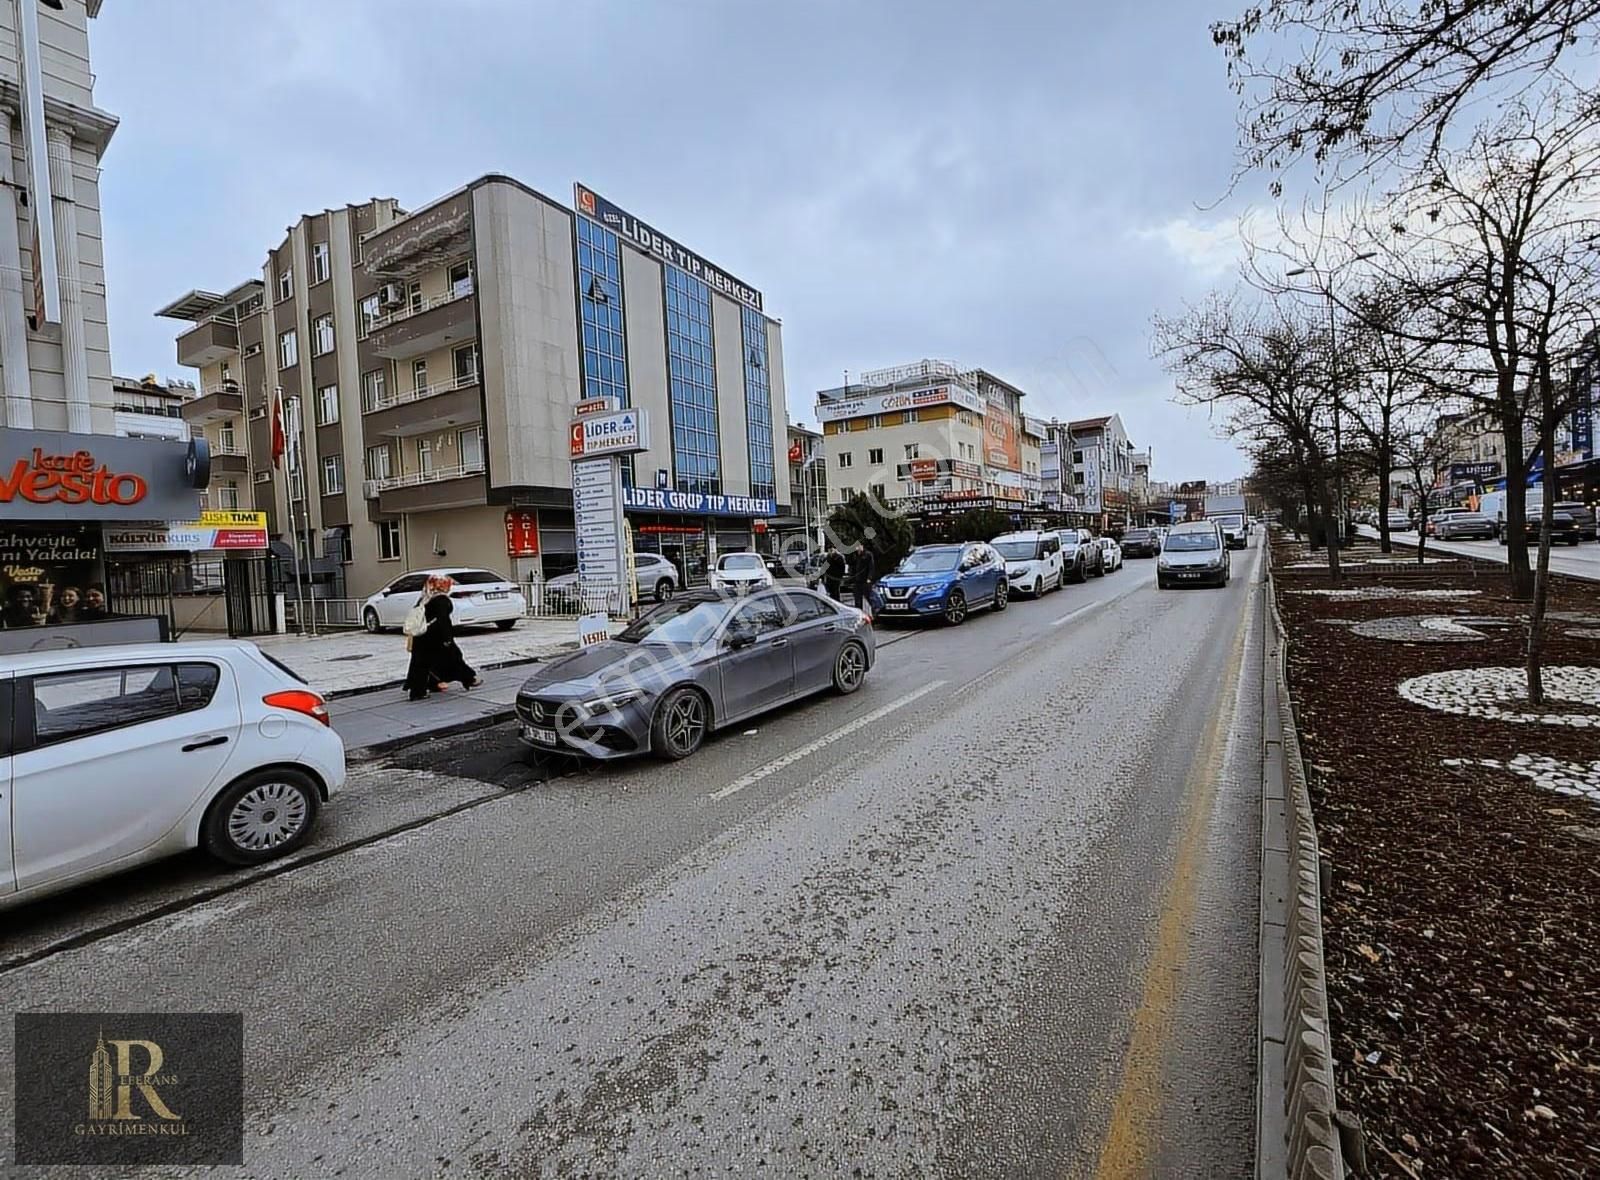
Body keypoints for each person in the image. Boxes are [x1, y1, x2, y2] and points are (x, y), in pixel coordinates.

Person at [404, 578, 479, 701]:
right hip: (435, 638)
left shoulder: (425, 598)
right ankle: (469, 679)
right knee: (453, 657)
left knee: (422, 663)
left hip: (422, 637)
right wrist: (447, 638)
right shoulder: (441, 600)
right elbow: (443, 620)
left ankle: (427, 686)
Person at [849, 546, 876, 610]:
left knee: (869, 598)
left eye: (858, 546)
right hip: (857, 580)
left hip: (865, 580)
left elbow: (871, 567)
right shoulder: (854, 555)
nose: (857, 548)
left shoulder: (868, 554)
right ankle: (859, 613)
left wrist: (869, 578)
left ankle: (874, 611)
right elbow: (852, 566)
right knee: (857, 600)